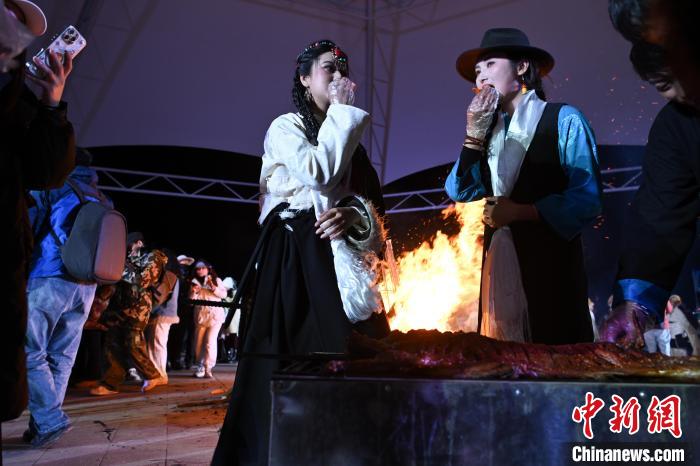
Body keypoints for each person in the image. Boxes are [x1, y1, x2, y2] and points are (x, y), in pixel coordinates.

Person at [212, 39, 389, 465]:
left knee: (358, 359)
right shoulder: (285, 127)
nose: (339, 74)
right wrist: (342, 114)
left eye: (343, 67)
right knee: (297, 362)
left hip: (340, 262)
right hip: (296, 258)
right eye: (329, 67)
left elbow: (373, 203)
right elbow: (318, 172)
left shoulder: (352, 141)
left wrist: (353, 213)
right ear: (305, 79)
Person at [445, 28, 603, 344]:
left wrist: (521, 212)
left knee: (556, 355)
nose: (481, 76)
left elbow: (587, 199)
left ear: (521, 67)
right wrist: (473, 137)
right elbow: (458, 190)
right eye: (477, 71)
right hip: (501, 270)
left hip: (551, 268)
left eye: (490, 64)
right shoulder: (487, 133)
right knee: (505, 358)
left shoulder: (564, 119)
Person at [1, 0, 76, 423]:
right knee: (54, 351)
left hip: (28, 267)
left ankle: (48, 418)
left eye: (17, 27)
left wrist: (51, 104)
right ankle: (49, 418)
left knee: (38, 350)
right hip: (56, 276)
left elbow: (46, 173)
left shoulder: (21, 102)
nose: (11, 31)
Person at [600, 39, 700, 347]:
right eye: (666, 83)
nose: (689, 88)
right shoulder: (677, 124)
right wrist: (634, 304)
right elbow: (660, 214)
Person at [22, 149, 104, 447]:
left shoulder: (52, 186)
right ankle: (43, 424)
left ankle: (49, 419)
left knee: (30, 350)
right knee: (62, 355)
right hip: (86, 284)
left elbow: (28, 228)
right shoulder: (102, 197)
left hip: (49, 275)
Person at [89, 233, 168, 395]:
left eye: (129, 245)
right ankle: (110, 383)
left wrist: (118, 268)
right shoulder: (125, 259)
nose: (125, 248)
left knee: (133, 342)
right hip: (119, 306)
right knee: (112, 344)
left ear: (139, 243)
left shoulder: (153, 256)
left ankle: (152, 375)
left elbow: (142, 280)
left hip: (138, 308)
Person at [189, 260, 226, 378]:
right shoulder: (193, 282)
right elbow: (191, 301)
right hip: (201, 316)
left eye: (202, 268)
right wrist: (194, 292)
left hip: (215, 316)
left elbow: (224, 295)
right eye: (197, 269)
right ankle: (200, 365)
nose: (200, 270)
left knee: (210, 341)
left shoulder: (216, 280)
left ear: (208, 268)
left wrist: (213, 288)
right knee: (199, 342)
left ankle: (208, 367)